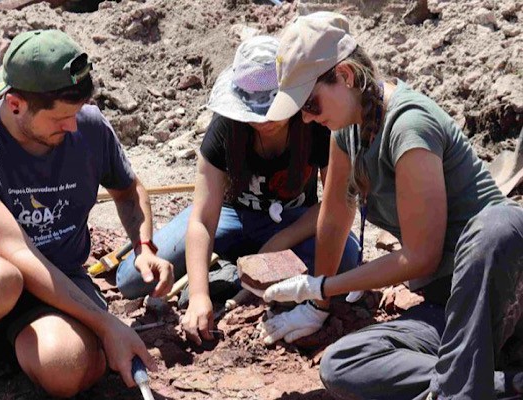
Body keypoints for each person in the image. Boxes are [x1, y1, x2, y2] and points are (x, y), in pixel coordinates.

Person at [260, 11, 523, 400]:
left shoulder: (408, 126)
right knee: (343, 363)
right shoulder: (345, 132)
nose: (307, 117)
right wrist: (319, 303)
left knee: (497, 223)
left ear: (345, 76)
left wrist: (326, 284)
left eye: (311, 103)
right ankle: (499, 384)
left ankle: (463, 388)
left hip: (503, 292)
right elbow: (333, 221)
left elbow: (421, 258)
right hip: (449, 310)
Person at [0, 30, 174, 397]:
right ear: (14, 104)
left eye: (76, 114)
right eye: (60, 118)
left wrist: (145, 247)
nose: (72, 126)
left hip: (62, 278)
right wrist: (105, 324)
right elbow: (17, 252)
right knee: (2, 278)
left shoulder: (88, 127)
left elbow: (129, 190)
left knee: (64, 366)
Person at [116, 35, 361, 345]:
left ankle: (246, 271)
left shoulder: (315, 124)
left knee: (347, 259)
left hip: (293, 220)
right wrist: (200, 297)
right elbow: (204, 220)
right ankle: (233, 274)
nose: (264, 122)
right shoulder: (224, 130)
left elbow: (335, 205)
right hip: (231, 217)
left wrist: (279, 241)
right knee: (132, 279)